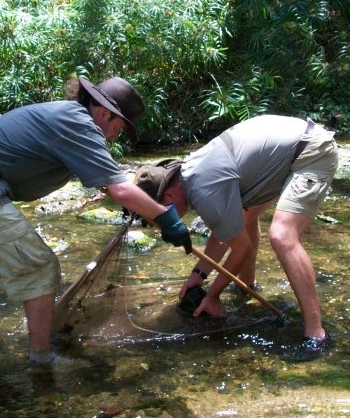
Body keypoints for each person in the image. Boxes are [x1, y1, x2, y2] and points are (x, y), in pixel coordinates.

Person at [0, 76, 192, 367]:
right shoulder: (80, 125)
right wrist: (167, 218)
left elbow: (107, 183)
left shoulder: (68, 118)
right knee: (40, 267)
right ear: (104, 113)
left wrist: (138, 205)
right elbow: (119, 188)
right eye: (118, 128)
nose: (116, 137)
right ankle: (42, 358)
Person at [134, 115, 338, 362]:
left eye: (159, 213)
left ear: (167, 194)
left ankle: (316, 334)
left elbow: (241, 249)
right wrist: (198, 275)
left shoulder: (203, 189)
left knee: (283, 236)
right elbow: (224, 232)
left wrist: (212, 295)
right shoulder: (191, 173)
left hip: (311, 151)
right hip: (291, 146)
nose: (164, 219)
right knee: (244, 215)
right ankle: (248, 287)